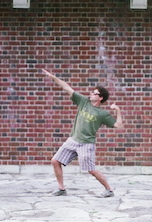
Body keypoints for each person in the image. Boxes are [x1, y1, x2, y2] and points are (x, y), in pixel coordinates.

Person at [41, 69, 123, 197]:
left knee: (91, 170)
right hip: (73, 140)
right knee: (55, 161)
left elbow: (118, 126)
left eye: (94, 93)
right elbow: (66, 87)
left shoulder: (102, 114)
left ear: (100, 98)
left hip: (86, 144)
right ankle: (61, 189)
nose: (91, 94)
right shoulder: (83, 101)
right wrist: (53, 77)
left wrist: (117, 110)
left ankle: (109, 190)